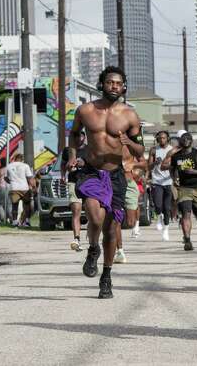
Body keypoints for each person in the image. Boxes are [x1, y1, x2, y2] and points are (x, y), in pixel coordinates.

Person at [68, 66, 144, 299]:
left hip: (116, 174)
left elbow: (141, 150)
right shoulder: (85, 110)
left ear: (124, 87)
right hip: (91, 170)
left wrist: (128, 143)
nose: (114, 86)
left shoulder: (130, 115)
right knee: (94, 216)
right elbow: (74, 134)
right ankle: (93, 248)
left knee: (112, 230)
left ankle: (106, 276)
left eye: (118, 83)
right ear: (101, 84)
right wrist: (72, 157)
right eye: (110, 82)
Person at [172, 131, 197, 251]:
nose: (185, 140)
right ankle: (187, 240)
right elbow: (172, 169)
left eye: (188, 139)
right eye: (183, 139)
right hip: (184, 188)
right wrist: (174, 179)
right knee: (185, 213)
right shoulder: (176, 156)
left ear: (191, 141)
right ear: (180, 141)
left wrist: (194, 172)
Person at [148, 130, 176, 241]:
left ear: (168, 138)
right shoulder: (154, 150)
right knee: (158, 205)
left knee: (167, 207)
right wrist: (155, 163)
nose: (162, 140)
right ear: (157, 139)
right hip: (157, 181)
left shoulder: (172, 150)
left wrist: (176, 177)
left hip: (168, 181)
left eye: (164, 138)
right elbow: (149, 167)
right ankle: (159, 217)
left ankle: (166, 230)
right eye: (160, 138)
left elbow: (175, 165)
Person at [61, 132, 87, 251]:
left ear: (84, 137)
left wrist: (83, 164)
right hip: (73, 182)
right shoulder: (68, 151)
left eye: (80, 136)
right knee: (76, 210)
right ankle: (76, 238)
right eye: (76, 136)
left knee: (91, 213)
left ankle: (92, 237)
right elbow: (63, 164)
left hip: (88, 183)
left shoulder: (89, 149)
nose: (78, 138)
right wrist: (63, 174)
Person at [5, 153, 35, 228]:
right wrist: (33, 187)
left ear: (15, 158)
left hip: (14, 188)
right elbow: (29, 178)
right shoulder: (25, 166)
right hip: (24, 188)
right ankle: (27, 222)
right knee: (27, 205)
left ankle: (15, 222)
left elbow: (6, 178)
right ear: (22, 159)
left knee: (14, 206)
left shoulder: (9, 166)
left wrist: (11, 181)